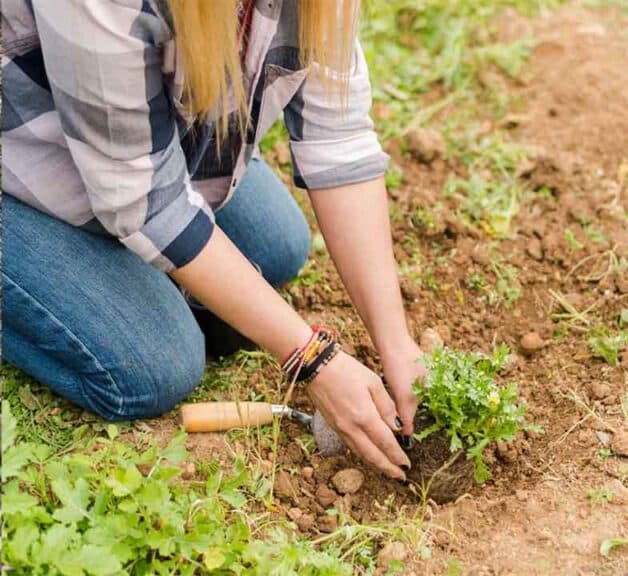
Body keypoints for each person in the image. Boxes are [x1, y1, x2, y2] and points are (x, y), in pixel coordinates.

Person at [1, 0, 420, 480]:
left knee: (275, 248)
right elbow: (146, 204)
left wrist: (395, 342)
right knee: (154, 365)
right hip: (21, 139)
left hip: (119, 139)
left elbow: (338, 138)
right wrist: (311, 359)